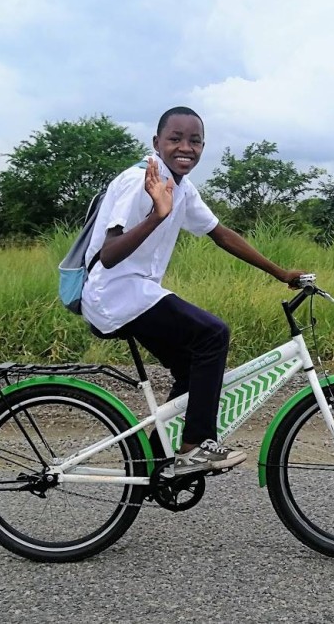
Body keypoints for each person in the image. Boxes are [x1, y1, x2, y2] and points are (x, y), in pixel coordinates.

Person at [81, 106, 305, 475]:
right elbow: (108, 254)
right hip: (115, 294)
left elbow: (219, 233)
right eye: (175, 139)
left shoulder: (180, 186)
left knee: (194, 370)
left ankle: (153, 463)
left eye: (195, 140)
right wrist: (158, 214)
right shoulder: (139, 181)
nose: (185, 147)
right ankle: (195, 447)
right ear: (157, 143)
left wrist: (280, 273)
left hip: (134, 294)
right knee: (212, 335)